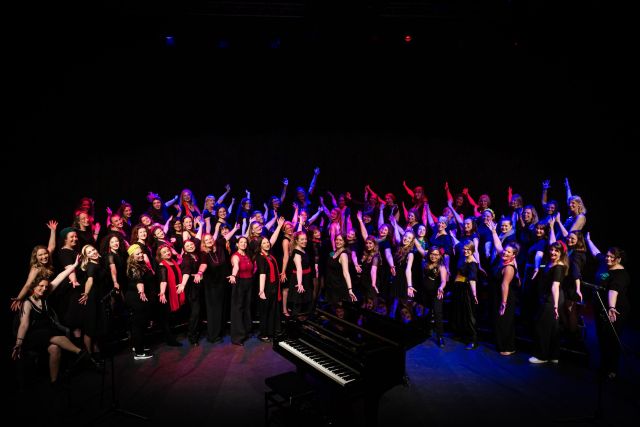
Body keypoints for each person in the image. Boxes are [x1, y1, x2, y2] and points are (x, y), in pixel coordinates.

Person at [12, 257, 94, 386]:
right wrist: (18, 343)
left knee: (55, 349)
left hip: (47, 334)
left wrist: (74, 265)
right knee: (49, 334)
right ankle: (81, 353)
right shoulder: (27, 302)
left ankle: (54, 382)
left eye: (46, 286)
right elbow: (24, 324)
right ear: (34, 287)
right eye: (40, 286)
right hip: (31, 336)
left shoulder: (45, 296)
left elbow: (60, 277)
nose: (44, 289)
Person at [585, 235, 630, 379]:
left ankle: (612, 369)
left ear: (619, 259)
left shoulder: (621, 274)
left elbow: (613, 291)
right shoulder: (604, 263)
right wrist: (588, 240)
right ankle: (604, 366)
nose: (608, 259)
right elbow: (596, 253)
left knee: (611, 339)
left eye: (612, 257)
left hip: (615, 310)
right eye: (608, 256)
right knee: (602, 338)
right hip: (601, 308)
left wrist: (611, 307)